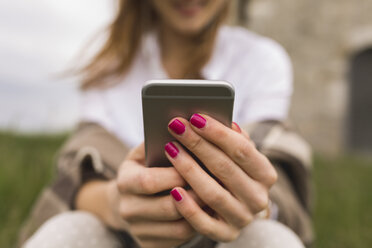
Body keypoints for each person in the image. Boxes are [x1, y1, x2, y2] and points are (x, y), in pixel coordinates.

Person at [20, 0, 313, 247]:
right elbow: (79, 174)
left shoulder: (262, 60)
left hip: (228, 236)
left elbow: (272, 183)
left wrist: (254, 206)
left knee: (269, 238)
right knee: (70, 231)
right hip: (125, 236)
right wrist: (115, 203)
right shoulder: (113, 66)